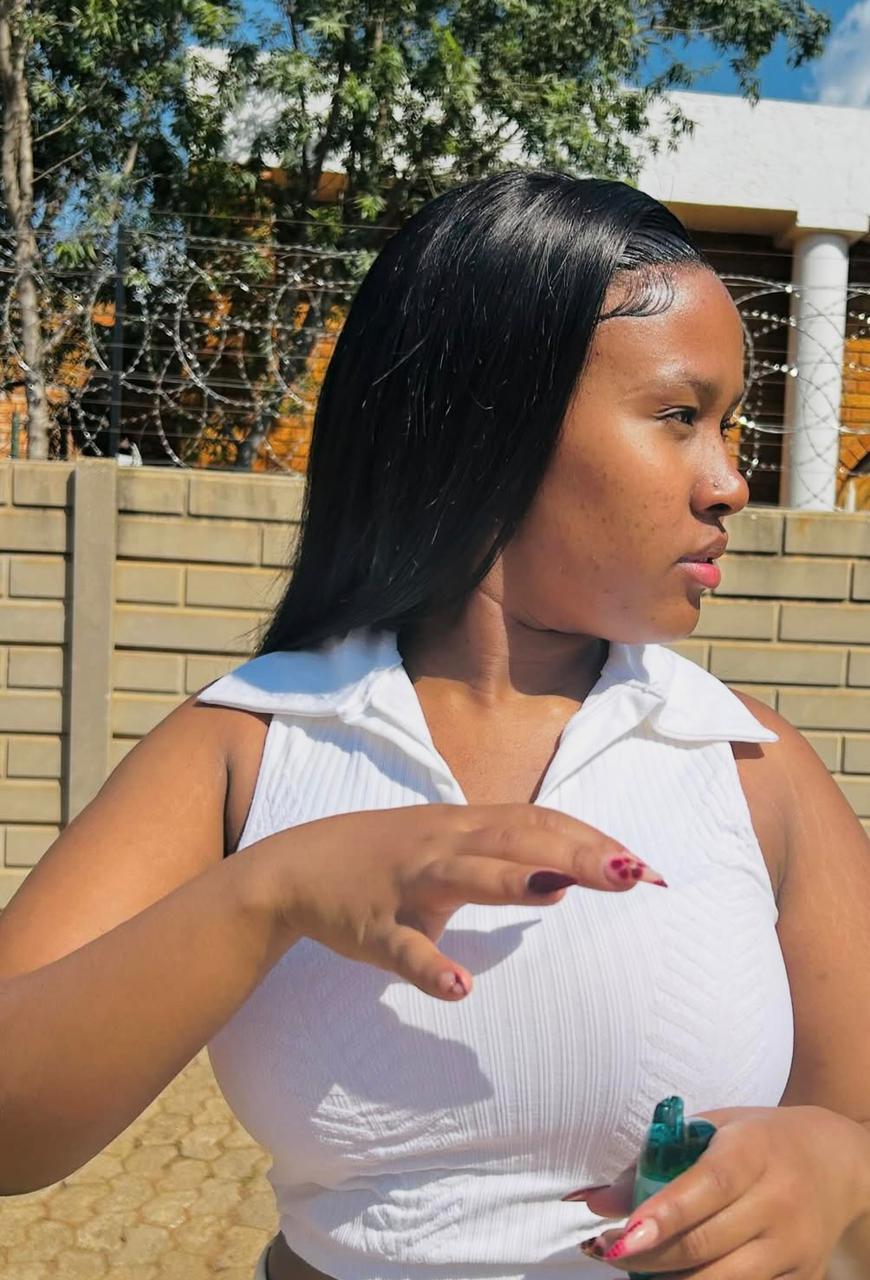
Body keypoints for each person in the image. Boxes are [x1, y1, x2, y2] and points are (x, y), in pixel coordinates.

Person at [1, 172, 869, 1280]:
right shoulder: (254, 742)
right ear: (492, 418)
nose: (731, 482)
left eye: (731, 425)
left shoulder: (751, 767)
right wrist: (275, 890)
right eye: (679, 416)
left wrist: (843, 1170)